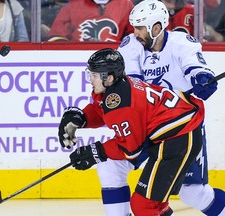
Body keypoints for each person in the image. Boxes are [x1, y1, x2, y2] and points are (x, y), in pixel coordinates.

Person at [59, 48, 204, 215]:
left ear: (109, 78)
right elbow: (102, 110)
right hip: (166, 134)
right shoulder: (115, 89)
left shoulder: (121, 101)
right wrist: (81, 117)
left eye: (94, 75)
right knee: (120, 176)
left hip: (178, 138)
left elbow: (131, 149)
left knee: (144, 205)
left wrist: (96, 151)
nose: (90, 79)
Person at [118, 0, 225, 215]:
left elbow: (194, 65)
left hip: (182, 129)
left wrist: (202, 77)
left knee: (192, 193)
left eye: (140, 27)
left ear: (156, 27)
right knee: (112, 167)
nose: (135, 32)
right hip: (146, 127)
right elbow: (133, 87)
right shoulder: (131, 44)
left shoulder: (180, 42)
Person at [47, 0, 134, 42]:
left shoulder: (125, 5)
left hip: (114, 60)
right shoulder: (73, 5)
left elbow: (136, 38)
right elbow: (56, 39)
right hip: (78, 59)